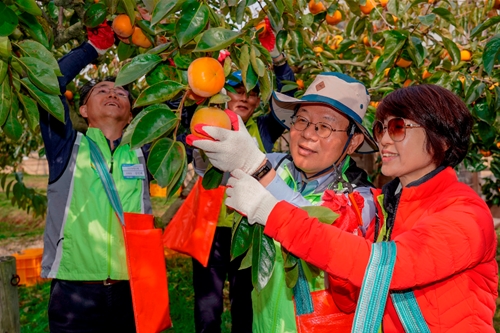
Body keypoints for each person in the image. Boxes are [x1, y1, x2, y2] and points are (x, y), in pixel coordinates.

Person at [215, 84, 498, 332]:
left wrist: (272, 210)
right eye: (380, 128)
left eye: (398, 127)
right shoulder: (389, 206)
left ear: (442, 139)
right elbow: (349, 286)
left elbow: (383, 267)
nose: (384, 139)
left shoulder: (466, 214)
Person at [188, 72, 378, 332]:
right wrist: (207, 143)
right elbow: (211, 171)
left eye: (324, 126)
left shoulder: (360, 200)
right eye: (302, 121)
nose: (308, 134)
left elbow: (319, 237)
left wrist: (258, 168)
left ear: (353, 141)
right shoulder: (278, 165)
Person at [40, 24, 152, 332]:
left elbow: (179, 106)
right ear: (84, 110)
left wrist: (157, 42)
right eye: (101, 90)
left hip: (132, 289)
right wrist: (93, 48)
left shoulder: (145, 151)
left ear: (131, 115)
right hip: (75, 293)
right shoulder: (67, 146)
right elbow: (47, 83)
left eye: (121, 92)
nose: (114, 92)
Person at [186, 53, 296, 333]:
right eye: (237, 90)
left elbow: (288, 99)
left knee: (244, 301)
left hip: (247, 227)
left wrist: (280, 62)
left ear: (260, 101)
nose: (245, 98)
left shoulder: (262, 129)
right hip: (210, 228)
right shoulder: (205, 119)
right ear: (223, 93)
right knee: (207, 303)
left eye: (253, 93)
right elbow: (184, 105)